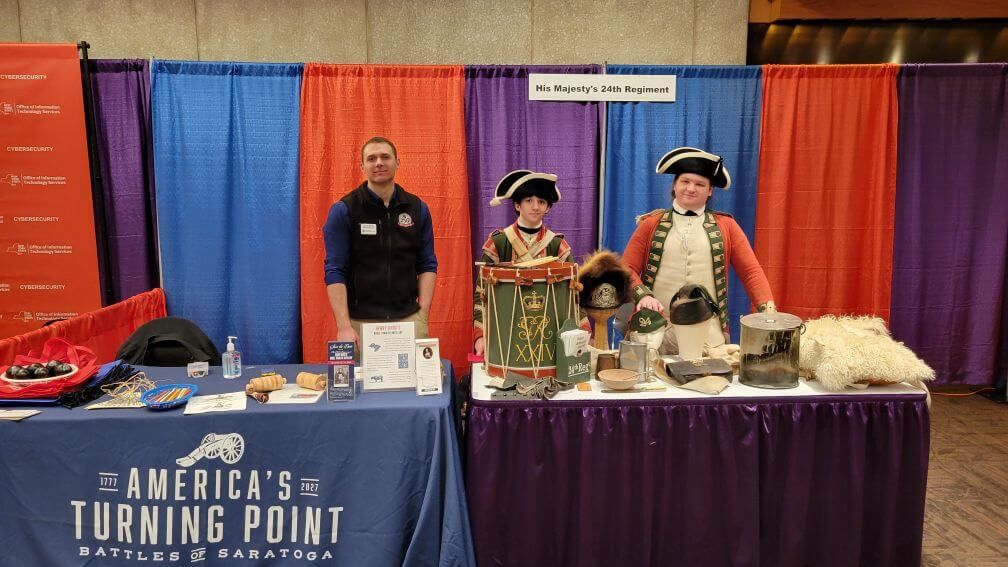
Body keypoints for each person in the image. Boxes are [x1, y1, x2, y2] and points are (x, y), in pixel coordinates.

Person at [622, 147, 775, 337]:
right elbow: (626, 268)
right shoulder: (651, 224)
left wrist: (768, 314)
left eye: (700, 184)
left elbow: (752, 273)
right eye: (685, 181)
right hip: (654, 326)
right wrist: (643, 295)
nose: (691, 188)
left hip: (709, 331)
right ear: (674, 185)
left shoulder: (727, 226)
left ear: (710, 191)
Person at [323, 137, 437, 348]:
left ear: (397, 162)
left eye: (385, 157)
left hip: (409, 321)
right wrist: (343, 326)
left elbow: (428, 264)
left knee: (414, 381)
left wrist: (423, 312)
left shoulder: (418, 208)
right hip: (359, 324)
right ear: (362, 166)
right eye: (371, 158)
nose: (379, 163)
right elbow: (335, 270)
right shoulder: (344, 211)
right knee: (361, 382)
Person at [473, 170, 571, 356]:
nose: (535, 207)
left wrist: (580, 333)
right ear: (517, 205)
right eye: (528, 201)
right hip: (504, 332)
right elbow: (481, 294)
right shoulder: (498, 243)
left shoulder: (558, 246)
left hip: (548, 335)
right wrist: (480, 335)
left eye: (541, 202)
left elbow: (573, 295)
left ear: (548, 207)